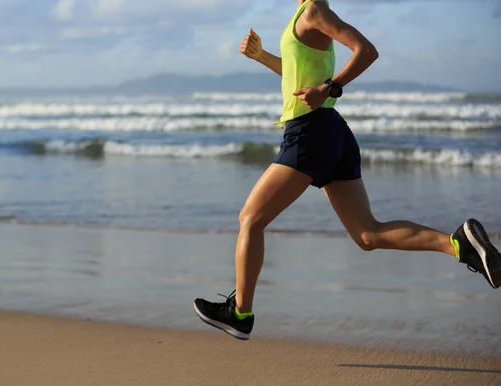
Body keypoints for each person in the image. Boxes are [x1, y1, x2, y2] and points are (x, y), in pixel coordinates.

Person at [193, 0, 501, 341]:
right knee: (368, 234)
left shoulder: (313, 10)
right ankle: (459, 244)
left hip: (310, 132)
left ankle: (240, 313)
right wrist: (262, 56)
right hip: (330, 131)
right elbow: (299, 77)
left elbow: (366, 50)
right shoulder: (304, 16)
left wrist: (329, 88)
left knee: (250, 219)